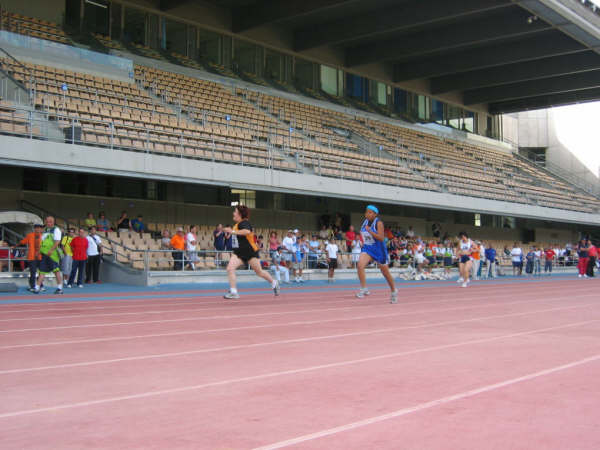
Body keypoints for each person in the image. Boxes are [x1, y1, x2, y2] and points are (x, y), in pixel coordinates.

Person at [223, 205, 279, 299]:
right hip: (239, 253)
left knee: (259, 272)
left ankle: (274, 283)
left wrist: (232, 232)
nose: (233, 213)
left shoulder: (244, 222)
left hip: (250, 252)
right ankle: (233, 292)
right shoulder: (236, 225)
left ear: (240, 214)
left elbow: (247, 231)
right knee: (230, 268)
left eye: (235, 211)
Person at [355, 205, 398, 303]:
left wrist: (370, 231)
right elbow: (363, 234)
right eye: (366, 212)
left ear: (375, 214)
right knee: (360, 265)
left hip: (379, 250)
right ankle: (364, 288)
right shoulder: (365, 222)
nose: (367, 214)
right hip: (368, 248)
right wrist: (362, 241)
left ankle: (393, 291)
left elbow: (381, 238)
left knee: (385, 273)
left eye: (370, 212)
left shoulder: (378, 223)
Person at [34, 216, 64, 294]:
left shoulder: (56, 230)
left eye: (50, 221)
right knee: (42, 271)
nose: (48, 223)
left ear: (53, 222)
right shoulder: (45, 230)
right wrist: (38, 251)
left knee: (56, 271)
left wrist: (51, 250)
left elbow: (57, 242)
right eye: (47, 221)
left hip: (52, 255)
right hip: (44, 254)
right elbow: (42, 242)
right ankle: (37, 287)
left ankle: (60, 288)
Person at [14, 223, 43, 292]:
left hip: (41, 257)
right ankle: (32, 286)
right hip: (32, 257)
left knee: (41, 273)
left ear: (41, 229)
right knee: (33, 272)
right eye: (36, 228)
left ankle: (40, 285)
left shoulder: (43, 236)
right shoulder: (30, 235)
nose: (38, 229)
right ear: (34, 228)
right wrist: (14, 246)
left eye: (39, 228)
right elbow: (22, 242)